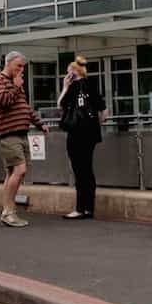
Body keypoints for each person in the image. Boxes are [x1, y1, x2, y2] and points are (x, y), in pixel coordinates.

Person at [0, 51, 48, 227]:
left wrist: (39, 123)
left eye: (23, 66)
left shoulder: (17, 83)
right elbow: (3, 100)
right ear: (8, 63)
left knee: (12, 172)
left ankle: (8, 210)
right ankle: (8, 211)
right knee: (20, 170)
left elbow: (24, 107)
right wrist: (15, 86)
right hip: (7, 133)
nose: (21, 70)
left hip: (21, 133)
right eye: (19, 66)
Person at [58, 55, 105, 219]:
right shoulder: (92, 84)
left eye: (67, 73)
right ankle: (89, 208)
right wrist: (95, 124)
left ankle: (79, 208)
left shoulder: (71, 87)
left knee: (78, 170)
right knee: (88, 169)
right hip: (91, 133)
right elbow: (102, 109)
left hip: (75, 133)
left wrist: (65, 86)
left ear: (72, 73)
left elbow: (60, 105)